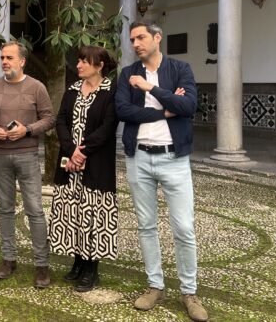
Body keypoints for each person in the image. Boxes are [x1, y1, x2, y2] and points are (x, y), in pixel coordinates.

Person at [115, 21, 208, 322]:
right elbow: (123, 111)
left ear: (157, 38)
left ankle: (189, 292)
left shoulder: (180, 69)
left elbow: (189, 105)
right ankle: (155, 285)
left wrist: (150, 89)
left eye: (141, 37)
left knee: (183, 227)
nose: (136, 44)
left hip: (174, 158)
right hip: (139, 157)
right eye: (132, 39)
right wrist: (164, 108)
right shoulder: (128, 74)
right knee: (146, 225)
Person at [0, 41, 55, 288]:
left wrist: (27, 130)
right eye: (2, 58)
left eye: (9, 57)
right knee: (5, 209)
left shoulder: (37, 87)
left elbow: (49, 118)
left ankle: (42, 264)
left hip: (27, 155)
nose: (5, 62)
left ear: (22, 61)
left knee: (35, 210)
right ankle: (9, 259)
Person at [49, 45, 119, 292]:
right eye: (78, 61)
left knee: (93, 216)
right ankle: (77, 262)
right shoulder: (72, 90)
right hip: (71, 165)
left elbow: (108, 127)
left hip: (96, 166)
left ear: (99, 66)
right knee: (73, 214)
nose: (78, 65)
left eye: (84, 62)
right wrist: (71, 150)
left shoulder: (111, 92)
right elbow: (60, 120)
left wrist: (84, 150)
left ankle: (92, 269)